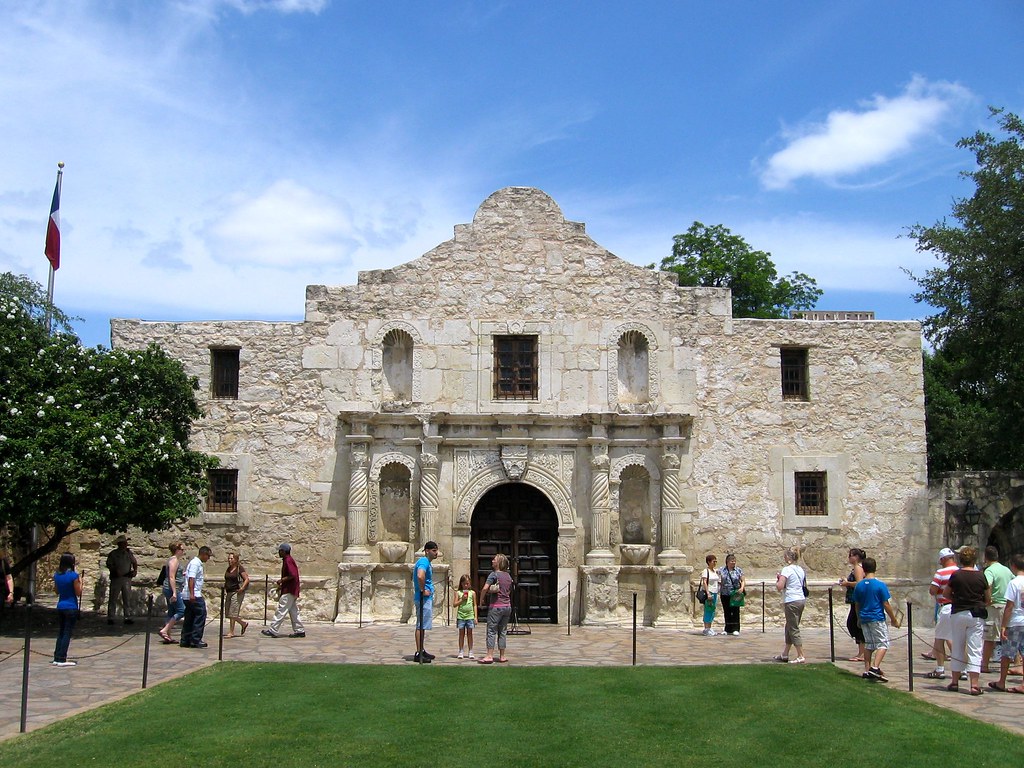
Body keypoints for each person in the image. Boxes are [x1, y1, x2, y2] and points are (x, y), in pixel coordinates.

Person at [943, 545, 991, 696]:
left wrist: (957, 599)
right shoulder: (981, 576)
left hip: (958, 612)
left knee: (957, 646)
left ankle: (955, 681)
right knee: (975, 648)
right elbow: (988, 598)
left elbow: (946, 593)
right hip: (976, 614)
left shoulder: (956, 575)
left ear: (961, 560)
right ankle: (974, 685)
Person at [852, 557, 901, 682]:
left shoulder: (859, 586)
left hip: (864, 617)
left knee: (869, 644)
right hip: (876, 617)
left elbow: (857, 604)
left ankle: (867, 670)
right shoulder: (880, 585)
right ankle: (874, 667)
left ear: (863, 569)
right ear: (875, 568)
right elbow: (885, 604)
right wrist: (894, 619)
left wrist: (858, 618)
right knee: (883, 643)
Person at [990, 553, 1024, 693]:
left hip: (1015, 621)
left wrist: (1004, 625)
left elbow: (1009, 606)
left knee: (1007, 653)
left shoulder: (1014, 582)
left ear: (1013, 566)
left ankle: (1002, 682)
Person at [924, 547, 959, 680]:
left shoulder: (941, 572)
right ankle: (964, 669)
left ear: (943, 559)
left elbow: (933, 590)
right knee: (956, 638)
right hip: (960, 608)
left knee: (939, 639)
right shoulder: (960, 571)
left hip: (946, 606)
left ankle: (940, 668)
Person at [262, 543, 305, 638]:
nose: (278, 552)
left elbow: (292, 575)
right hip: (291, 589)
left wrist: (282, 580)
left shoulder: (288, 560)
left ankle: (273, 629)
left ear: (283, 551)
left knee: (281, 609)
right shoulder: (288, 560)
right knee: (293, 611)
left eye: (280, 551)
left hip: (289, 590)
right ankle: (299, 630)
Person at [981, 545, 1013, 673]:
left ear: (986, 557)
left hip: (994, 606)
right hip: (1007, 606)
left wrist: (987, 599)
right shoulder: (1006, 570)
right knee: (1008, 637)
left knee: (989, 637)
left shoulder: (989, 570)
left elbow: (987, 585)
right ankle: (1015, 664)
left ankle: (985, 665)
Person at [479, 553, 514, 664]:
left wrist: (481, 599)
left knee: (491, 630)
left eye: (494, 559)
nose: (492, 561)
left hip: (496, 606)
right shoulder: (508, 576)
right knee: (502, 631)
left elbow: (485, 588)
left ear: (499, 563)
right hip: (507, 606)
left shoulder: (493, 575)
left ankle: (489, 655)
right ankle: (502, 655)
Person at [775, 548, 807, 664]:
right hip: (800, 599)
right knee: (789, 626)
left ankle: (800, 655)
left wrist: (778, 580)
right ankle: (785, 653)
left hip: (791, 600)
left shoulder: (787, 570)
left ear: (788, 558)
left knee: (793, 628)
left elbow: (780, 586)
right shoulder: (800, 570)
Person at [409, 541, 439, 662]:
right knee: (421, 625)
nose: (436, 553)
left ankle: (421, 650)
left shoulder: (426, 562)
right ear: (427, 551)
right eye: (434, 550)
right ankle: (418, 653)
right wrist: (423, 590)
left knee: (423, 625)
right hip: (423, 598)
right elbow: (420, 575)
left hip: (425, 598)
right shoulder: (424, 562)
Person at [52, 553, 82, 667]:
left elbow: (57, 591)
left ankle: (57, 655)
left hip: (61, 605)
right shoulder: (73, 576)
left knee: (61, 631)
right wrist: (81, 583)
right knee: (67, 632)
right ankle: (62, 657)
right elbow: (78, 592)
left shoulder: (57, 575)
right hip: (71, 606)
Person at [180, 546, 212, 649]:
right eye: (208, 555)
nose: (208, 558)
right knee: (200, 614)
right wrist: (192, 594)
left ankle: (186, 639)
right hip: (194, 595)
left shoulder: (195, 563)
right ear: (203, 554)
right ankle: (195, 639)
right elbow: (191, 579)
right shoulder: (195, 563)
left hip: (188, 594)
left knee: (190, 617)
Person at [839, 547, 867, 662]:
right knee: (853, 623)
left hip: (857, 600)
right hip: (854, 600)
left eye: (850, 555)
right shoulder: (857, 568)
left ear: (856, 557)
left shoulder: (858, 568)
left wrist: (847, 583)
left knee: (855, 624)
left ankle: (862, 652)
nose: (849, 558)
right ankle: (861, 651)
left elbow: (859, 583)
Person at [105, 534, 138, 625]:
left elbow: (134, 562)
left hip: (126, 578)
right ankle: (111, 617)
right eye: (124, 543)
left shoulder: (128, 553)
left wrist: (135, 570)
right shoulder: (113, 554)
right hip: (116, 578)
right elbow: (109, 564)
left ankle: (127, 616)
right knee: (113, 598)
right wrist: (115, 570)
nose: (125, 545)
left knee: (127, 598)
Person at [158, 542, 186, 644]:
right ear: (177, 550)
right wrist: (174, 592)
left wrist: (182, 574)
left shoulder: (172, 560)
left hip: (169, 587)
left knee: (171, 611)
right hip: (172, 589)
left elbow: (175, 574)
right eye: (182, 550)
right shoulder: (174, 560)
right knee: (181, 610)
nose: (183, 552)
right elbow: (171, 576)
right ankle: (165, 630)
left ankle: (167, 635)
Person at [224, 552, 250, 638]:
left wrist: (242, 588)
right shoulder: (228, 569)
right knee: (228, 613)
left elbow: (246, 579)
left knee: (233, 612)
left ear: (236, 560)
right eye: (229, 558)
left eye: (231, 558)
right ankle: (243, 623)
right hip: (229, 592)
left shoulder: (239, 568)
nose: (229, 560)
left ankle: (231, 632)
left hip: (237, 592)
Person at [718, 553, 745, 636]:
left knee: (735, 611)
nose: (733, 562)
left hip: (735, 593)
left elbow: (743, 580)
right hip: (724, 593)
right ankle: (727, 628)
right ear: (727, 561)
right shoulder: (722, 570)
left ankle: (736, 628)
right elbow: (716, 577)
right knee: (727, 611)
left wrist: (741, 588)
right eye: (731, 561)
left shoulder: (738, 570)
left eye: (734, 561)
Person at [454, 573, 476, 659]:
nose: (466, 585)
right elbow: (455, 604)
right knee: (461, 634)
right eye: (464, 584)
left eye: (467, 583)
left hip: (470, 616)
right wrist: (461, 599)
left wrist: (475, 617)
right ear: (461, 584)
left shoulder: (472, 593)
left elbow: (474, 605)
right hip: (461, 616)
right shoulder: (458, 593)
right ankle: (461, 650)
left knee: (470, 633)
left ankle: (470, 650)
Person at [699, 554, 720, 636]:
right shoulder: (706, 571)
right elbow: (704, 582)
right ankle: (706, 628)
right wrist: (708, 593)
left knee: (712, 610)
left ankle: (709, 627)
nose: (715, 563)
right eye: (713, 561)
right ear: (708, 562)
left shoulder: (715, 571)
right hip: (709, 593)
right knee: (708, 610)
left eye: (716, 561)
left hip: (715, 592)